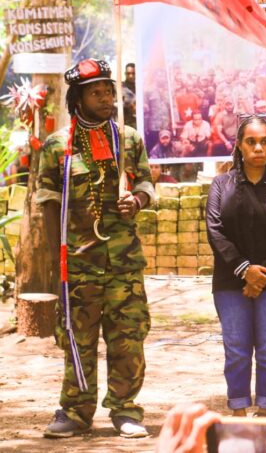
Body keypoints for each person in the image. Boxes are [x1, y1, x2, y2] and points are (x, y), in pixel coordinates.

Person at [36, 59, 156, 439]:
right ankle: (75, 412)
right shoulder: (58, 147)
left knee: (128, 337)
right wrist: (54, 264)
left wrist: (136, 200)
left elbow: (147, 185)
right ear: (78, 99)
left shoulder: (129, 140)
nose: (106, 99)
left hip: (124, 263)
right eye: (96, 93)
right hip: (79, 264)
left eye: (109, 91)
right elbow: (47, 204)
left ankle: (125, 410)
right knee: (78, 339)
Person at [205, 114, 266, 418]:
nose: (258, 148)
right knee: (237, 349)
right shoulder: (221, 185)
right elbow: (215, 231)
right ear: (239, 146)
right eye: (251, 142)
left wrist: (260, 275)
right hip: (230, 283)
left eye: (264, 141)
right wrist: (245, 269)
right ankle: (238, 409)